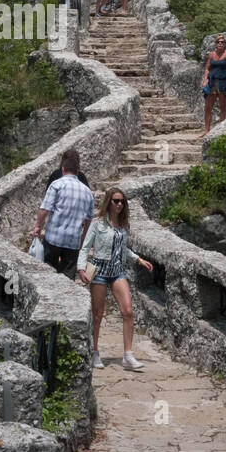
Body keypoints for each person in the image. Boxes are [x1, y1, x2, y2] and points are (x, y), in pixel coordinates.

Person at [77, 188, 153, 371]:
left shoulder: (123, 225)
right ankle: (94, 352)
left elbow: (122, 249)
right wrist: (81, 268)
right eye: (116, 201)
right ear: (108, 202)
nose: (119, 204)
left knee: (128, 311)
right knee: (97, 315)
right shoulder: (97, 224)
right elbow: (85, 248)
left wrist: (138, 259)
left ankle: (128, 356)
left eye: (122, 202)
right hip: (100, 271)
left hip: (118, 271)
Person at [34, 148, 95, 279]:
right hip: (73, 240)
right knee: (68, 277)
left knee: (48, 272)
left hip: (53, 238)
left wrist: (38, 226)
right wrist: (83, 237)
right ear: (78, 171)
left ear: (62, 169)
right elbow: (89, 218)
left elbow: (45, 209)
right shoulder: (87, 191)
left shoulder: (56, 184)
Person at [201, 34, 226, 135]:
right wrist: (205, 80)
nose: (220, 44)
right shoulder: (211, 55)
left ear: (225, 44)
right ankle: (206, 130)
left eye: (222, 42)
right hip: (213, 82)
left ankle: (221, 132)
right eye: (218, 42)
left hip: (223, 81)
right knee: (208, 107)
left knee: (222, 107)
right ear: (215, 44)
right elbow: (207, 68)